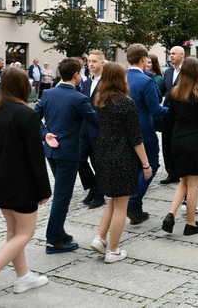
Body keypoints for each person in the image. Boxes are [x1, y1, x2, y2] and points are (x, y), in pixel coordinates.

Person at [0, 68, 52, 306]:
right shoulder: (27, 114)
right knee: (25, 233)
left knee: (14, 232)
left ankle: (23, 276)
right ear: (24, 86)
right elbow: (35, 156)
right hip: (22, 182)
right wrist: (44, 189)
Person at [90, 63, 152, 263]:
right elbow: (136, 137)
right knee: (120, 205)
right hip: (122, 157)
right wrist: (146, 164)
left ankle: (100, 238)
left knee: (112, 200)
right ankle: (114, 250)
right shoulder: (126, 103)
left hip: (103, 155)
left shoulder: (100, 100)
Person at [35, 58, 97, 254]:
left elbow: (33, 118)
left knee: (62, 194)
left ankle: (59, 232)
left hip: (51, 151)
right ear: (76, 75)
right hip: (68, 153)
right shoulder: (79, 98)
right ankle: (53, 239)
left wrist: (45, 134)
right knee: (62, 196)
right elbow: (96, 121)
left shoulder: (48, 93)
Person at [162, 57, 198, 235]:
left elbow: (168, 122)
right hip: (195, 142)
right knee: (193, 184)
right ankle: (191, 223)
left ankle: (171, 214)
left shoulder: (173, 93)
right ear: (196, 72)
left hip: (177, 141)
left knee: (183, 182)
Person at [126, 45, 168, 225]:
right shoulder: (146, 80)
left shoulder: (122, 77)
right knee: (151, 165)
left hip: (124, 129)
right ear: (143, 59)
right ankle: (133, 200)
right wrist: (173, 110)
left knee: (133, 166)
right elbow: (155, 109)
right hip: (143, 129)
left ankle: (136, 207)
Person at [78, 50, 105, 210]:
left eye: (94, 61)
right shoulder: (86, 83)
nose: (91, 64)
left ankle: (100, 194)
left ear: (102, 63)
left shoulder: (106, 83)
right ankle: (93, 186)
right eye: (89, 61)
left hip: (100, 129)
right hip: (84, 129)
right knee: (80, 160)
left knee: (98, 162)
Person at [160, 46, 185, 185]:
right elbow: (163, 90)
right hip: (167, 112)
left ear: (182, 55)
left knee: (177, 143)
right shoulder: (168, 72)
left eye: (174, 54)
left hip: (180, 113)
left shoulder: (186, 72)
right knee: (166, 142)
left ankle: (179, 170)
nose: (171, 56)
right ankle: (171, 172)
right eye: (170, 53)